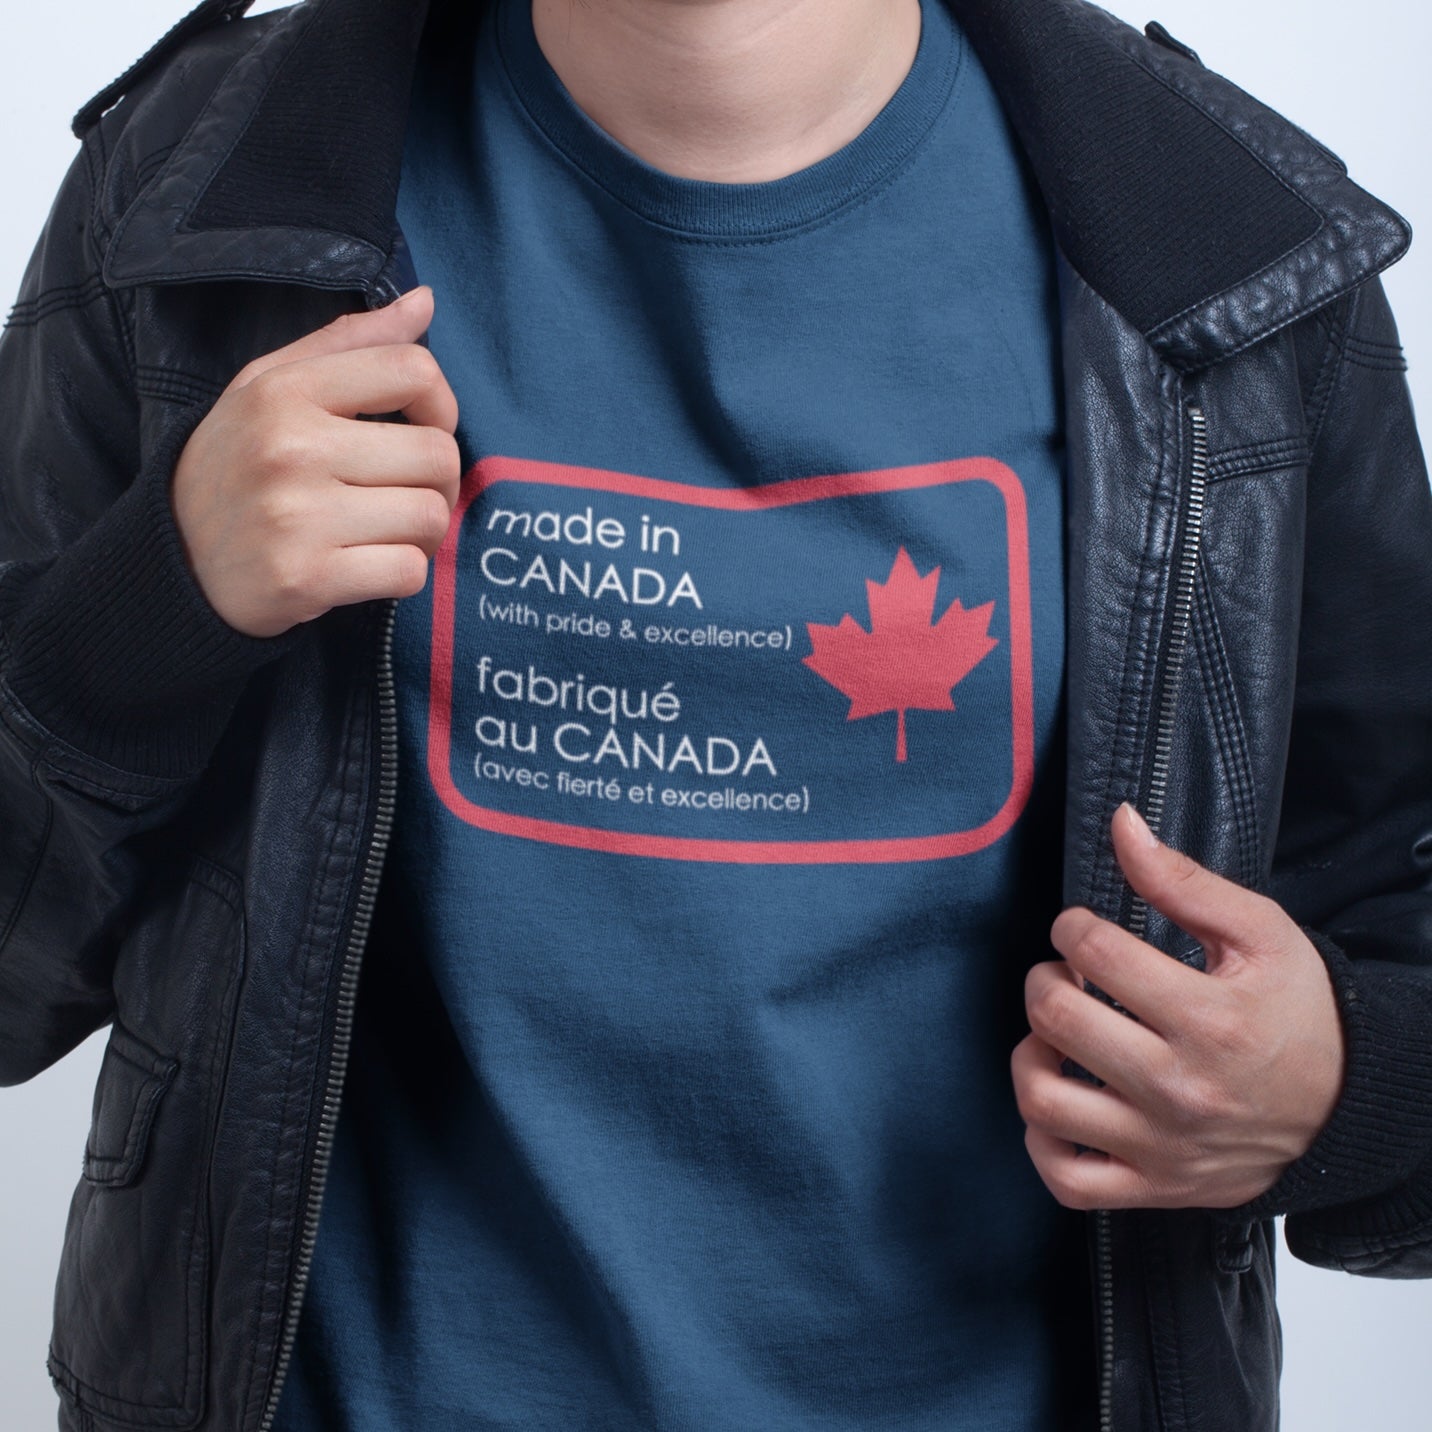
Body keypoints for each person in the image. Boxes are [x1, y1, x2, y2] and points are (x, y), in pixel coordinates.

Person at [1, 0, 1429, 1428]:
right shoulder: (195, 194)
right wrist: (150, 607)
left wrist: (1340, 1089)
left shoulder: (1233, 257)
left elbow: (1400, 947)